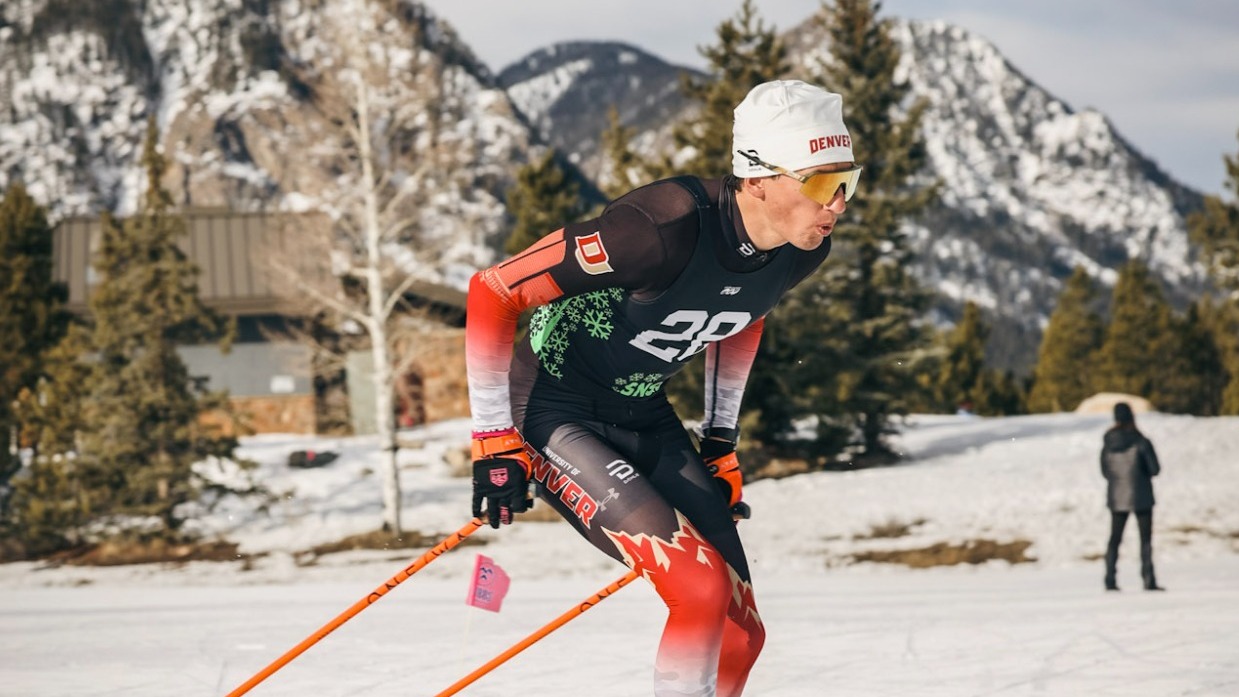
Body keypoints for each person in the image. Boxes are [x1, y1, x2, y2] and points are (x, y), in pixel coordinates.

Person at [464, 79, 861, 697]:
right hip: (550, 408)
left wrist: (722, 441)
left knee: (741, 633)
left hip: (641, 412)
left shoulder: (802, 250)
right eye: (817, 183)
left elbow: (743, 316)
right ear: (757, 177)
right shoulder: (659, 229)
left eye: (847, 182)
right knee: (699, 592)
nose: (836, 203)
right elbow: (493, 290)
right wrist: (493, 441)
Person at [1100, 401, 1163, 591]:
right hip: (1141, 495)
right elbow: (1155, 469)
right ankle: (1148, 579)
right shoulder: (1141, 441)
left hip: (1117, 496)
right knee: (1145, 539)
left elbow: (1105, 471)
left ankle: (1110, 579)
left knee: (1114, 539)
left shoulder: (1108, 443)